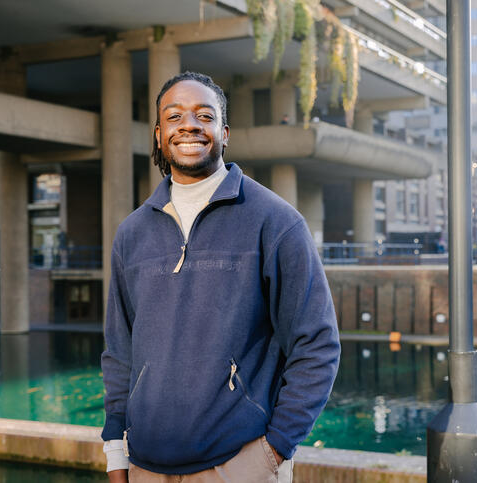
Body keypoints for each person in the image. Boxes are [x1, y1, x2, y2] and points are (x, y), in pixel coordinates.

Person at [101, 71, 341, 482]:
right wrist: (115, 453)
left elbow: (317, 345)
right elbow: (119, 353)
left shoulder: (275, 221)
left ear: (224, 132)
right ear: (159, 135)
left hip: (237, 466)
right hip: (144, 467)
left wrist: (275, 450)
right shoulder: (132, 233)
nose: (189, 125)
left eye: (204, 115)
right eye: (174, 117)